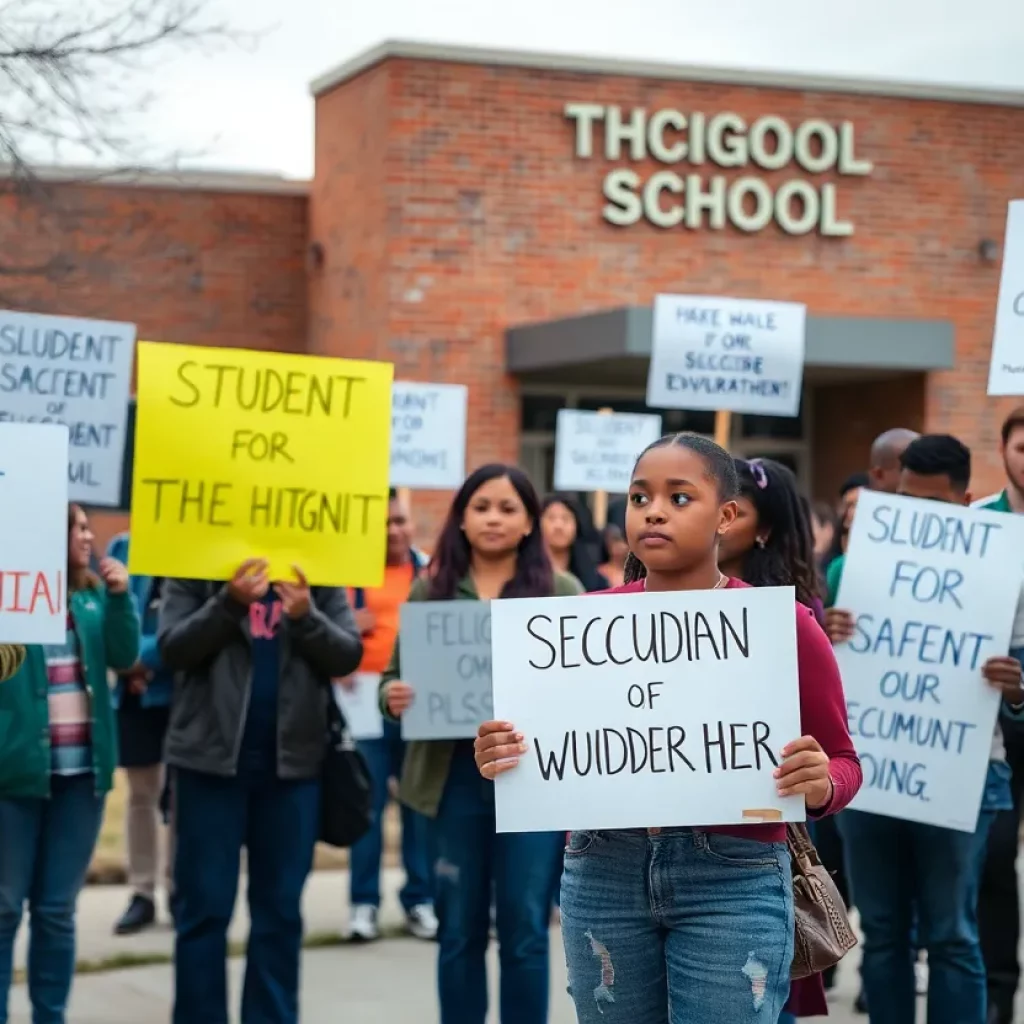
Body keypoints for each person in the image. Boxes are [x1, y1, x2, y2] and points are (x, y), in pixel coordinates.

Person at [475, 433, 862, 1021]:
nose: (653, 510)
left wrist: (820, 781)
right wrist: (501, 753)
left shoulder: (782, 626)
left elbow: (844, 762)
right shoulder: (578, 627)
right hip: (603, 869)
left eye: (679, 498)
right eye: (638, 498)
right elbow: (544, 750)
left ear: (726, 516)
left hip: (734, 875)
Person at [827, 434, 1024, 1024]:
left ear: (964, 501)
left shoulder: (1004, 569)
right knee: (882, 931)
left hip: (965, 772)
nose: (916, 516)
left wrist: (1016, 686)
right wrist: (826, 630)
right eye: (906, 501)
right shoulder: (854, 565)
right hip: (874, 776)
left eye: (933, 506)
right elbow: (826, 678)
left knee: (952, 933)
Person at [379, 464, 581, 1024]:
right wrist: (392, 696)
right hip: (452, 784)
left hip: (532, 785)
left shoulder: (561, 591)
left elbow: (588, 691)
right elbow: (391, 681)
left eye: (508, 508)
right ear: (462, 520)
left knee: (524, 930)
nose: (494, 518)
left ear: (528, 523)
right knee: (459, 929)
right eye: (482, 507)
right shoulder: (430, 590)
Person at [159, 560, 363, 1024]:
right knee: (203, 911)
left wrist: (306, 615)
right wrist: (229, 603)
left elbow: (348, 653)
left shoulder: (316, 570)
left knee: (279, 914)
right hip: (208, 766)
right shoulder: (195, 564)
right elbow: (172, 648)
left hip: (294, 770)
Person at [0, 504, 139, 1024]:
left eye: (87, 527)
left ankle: (49, 1016)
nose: (89, 536)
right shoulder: (10, 601)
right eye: (78, 528)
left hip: (81, 778)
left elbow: (125, 658)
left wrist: (123, 598)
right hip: (14, 777)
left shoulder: (93, 600)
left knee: (56, 912)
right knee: (5, 908)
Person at [341, 489, 436, 943]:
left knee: (418, 805)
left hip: (418, 701)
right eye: (384, 523)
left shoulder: (431, 570)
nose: (395, 530)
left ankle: (420, 899)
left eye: (400, 520)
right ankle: (364, 903)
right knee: (368, 807)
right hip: (364, 702)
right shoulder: (350, 575)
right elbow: (323, 633)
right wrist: (346, 632)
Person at [974, 406, 1024, 1024]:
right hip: (988, 696)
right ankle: (999, 993)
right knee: (993, 854)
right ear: (1005, 449)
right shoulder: (978, 523)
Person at [106, 532, 175, 936]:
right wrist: (128, 663)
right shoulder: (123, 547)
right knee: (142, 795)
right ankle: (143, 892)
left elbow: (191, 624)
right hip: (135, 697)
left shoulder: (192, 543)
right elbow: (115, 611)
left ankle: (178, 889)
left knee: (183, 796)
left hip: (183, 691)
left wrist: (141, 658)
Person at [540, 494, 608, 592]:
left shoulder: (594, 580)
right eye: (551, 518)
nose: (558, 525)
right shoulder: (525, 576)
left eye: (566, 518)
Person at [598, 523, 629, 588]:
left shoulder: (634, 572)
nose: (619, 547)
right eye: (615, 542)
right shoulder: (601, 573)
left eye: (621, 541)